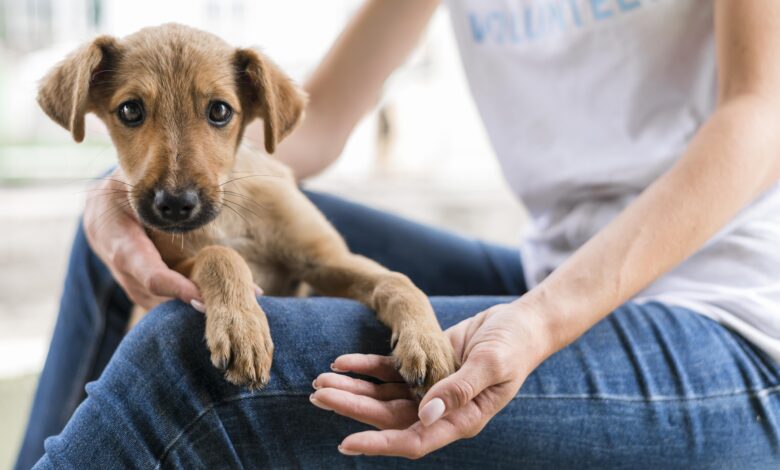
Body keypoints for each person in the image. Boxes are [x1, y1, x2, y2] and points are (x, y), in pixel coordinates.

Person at [15, 0, 780, 468]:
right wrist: (115, 194)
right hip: (548, 266)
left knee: (184, 362)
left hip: (731, 318)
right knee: (116, 237)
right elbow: (308, 136)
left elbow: (762, 114)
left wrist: (541, 321)